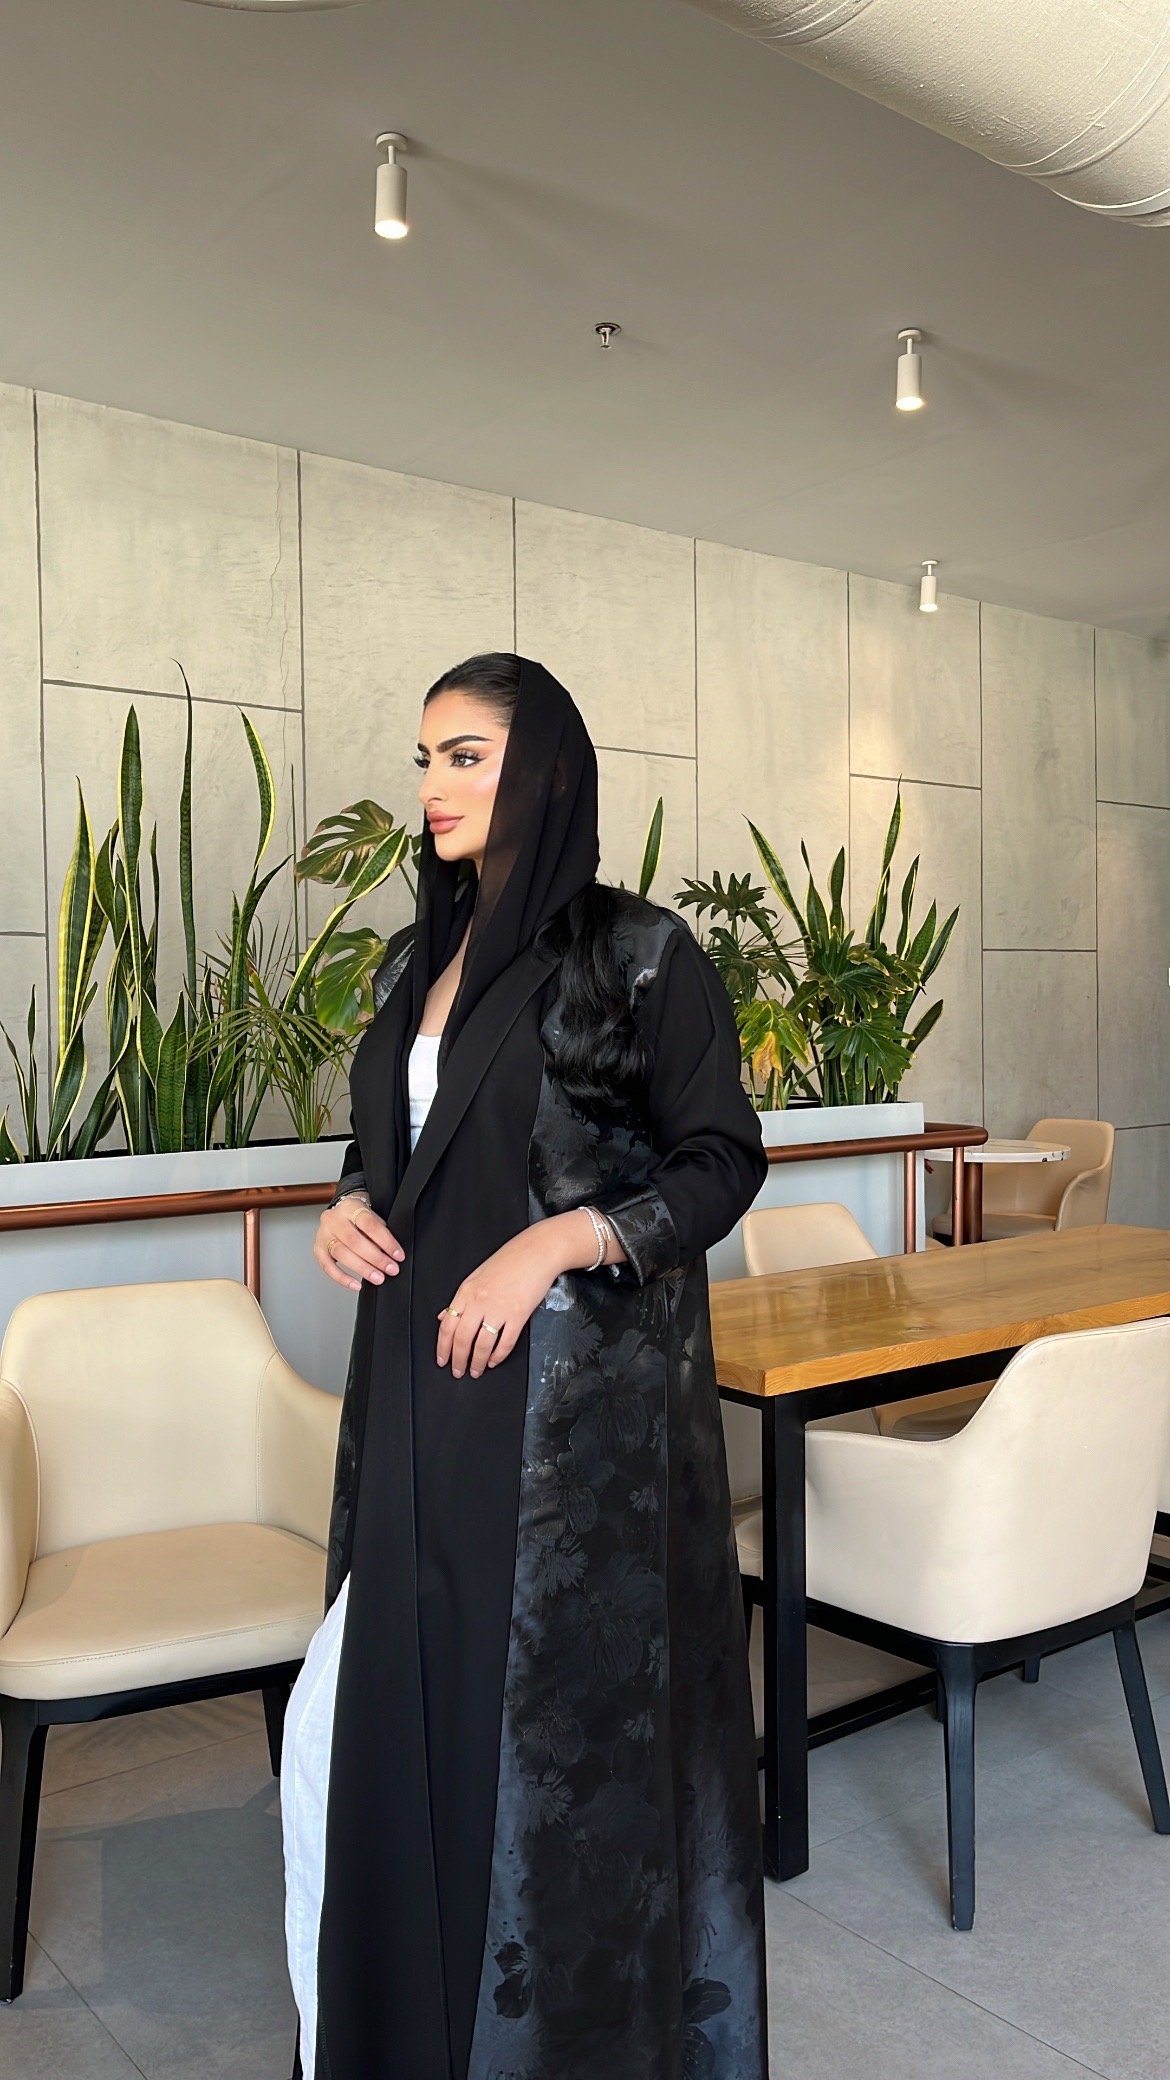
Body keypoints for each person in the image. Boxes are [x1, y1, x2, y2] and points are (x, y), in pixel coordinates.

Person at [281, 652, 770, 2080]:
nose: (431, 787)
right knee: (402, 1707)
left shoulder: (638, 955)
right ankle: (406, 2031)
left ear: (542, 767)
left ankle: (553, 2043)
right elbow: (389, 1147)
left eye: (465, 756)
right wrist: (346, 1204)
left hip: (573, 1429)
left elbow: (720, 1162)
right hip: (418, 1391)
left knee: (552, 1750)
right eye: (424, 758)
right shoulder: (410, 961)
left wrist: (557, 1242)